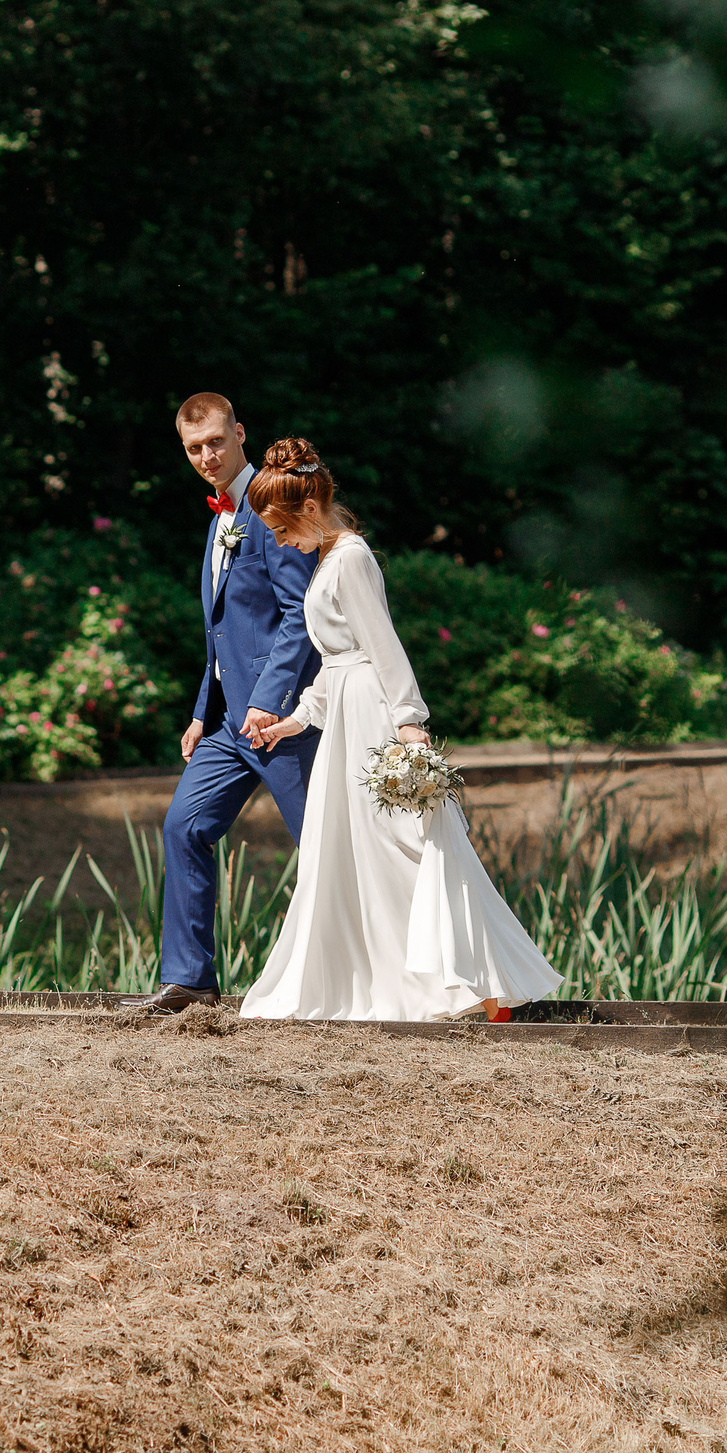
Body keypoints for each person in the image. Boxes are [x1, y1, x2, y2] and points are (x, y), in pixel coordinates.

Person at [236, 438, 563, 1022]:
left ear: (308, 508)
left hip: (371, 719)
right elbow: (336, 660)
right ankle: (391, 983)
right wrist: (295, 721)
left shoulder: (351, 558)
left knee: (398, 844)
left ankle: (465, 987)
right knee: (353, 853)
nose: (280, 543)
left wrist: (409, 724)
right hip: (343, 718)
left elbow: (381, 648)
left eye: (282, 530)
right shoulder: (327, 558)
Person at [118, 394, 321, 1015]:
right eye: (193, 448)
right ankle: (189, 983)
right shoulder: (219, 518)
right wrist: (202, 711)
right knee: (184, 827)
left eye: (215, 442)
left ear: (239, 433)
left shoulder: (270, 505)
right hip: (229, 724)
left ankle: (381, 978)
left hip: (283, 720)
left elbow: (299, 615)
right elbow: (224, 630)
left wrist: (268, 702)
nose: (206, 456)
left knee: (324, 845)